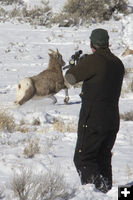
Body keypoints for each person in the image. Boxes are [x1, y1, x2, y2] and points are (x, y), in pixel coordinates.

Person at [65, 28, 125, 193]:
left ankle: (98, 193)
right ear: (108, 42)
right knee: (103, 159)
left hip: (93, 119)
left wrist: (76, 65)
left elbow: (70, 77)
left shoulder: (94, 60)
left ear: (91, 44)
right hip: (112, 119)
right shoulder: (118, 63)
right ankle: (109, 193)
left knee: (84, 159)